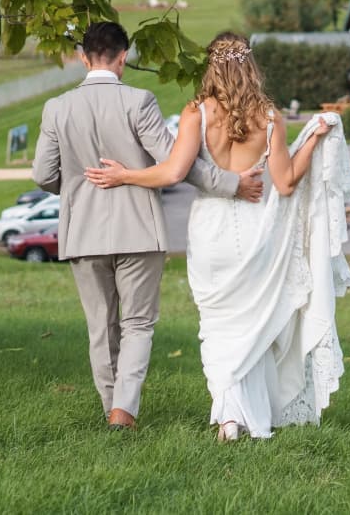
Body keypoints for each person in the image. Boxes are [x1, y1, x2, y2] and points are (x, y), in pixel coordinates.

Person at [86, 32, 350, 442]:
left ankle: (229, 419)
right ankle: (246, 415)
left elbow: (173, 172)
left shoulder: (198, 113)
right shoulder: (269, 117)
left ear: (212, 66)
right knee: (253, 325)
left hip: (211, 233)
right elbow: (284, 183)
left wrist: (124, 175)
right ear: (250, 66)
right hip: (256, 233)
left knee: (216, 325)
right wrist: (313, 140)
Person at [32, 22, 263, 432]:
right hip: (139, 228)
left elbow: (43, 174)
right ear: (123, 58)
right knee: (138, 323)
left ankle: (112, 410)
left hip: (81, 233)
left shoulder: (56, 108)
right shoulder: (139, 102)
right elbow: (178, 165)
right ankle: (125, 409)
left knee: (100, 325)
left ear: (83, 58)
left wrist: (75, 187)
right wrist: (232, 184)